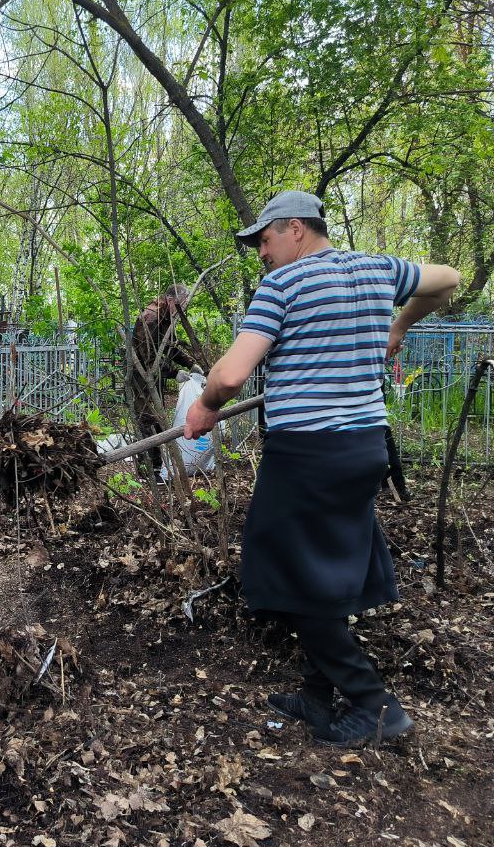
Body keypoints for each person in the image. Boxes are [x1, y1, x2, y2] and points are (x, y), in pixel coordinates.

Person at [184, 191, 460, 746]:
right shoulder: (378, 268)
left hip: (307, 453)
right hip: (364, 450)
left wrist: (206, 406)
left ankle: (374, 704)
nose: (260, 253)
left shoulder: (283, 286)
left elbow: (233, 374)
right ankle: (315, 694)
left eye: (265, 239)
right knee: (320, 568)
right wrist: (400, 326)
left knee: (284, 569)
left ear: (296, 230)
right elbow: (448, 279)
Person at [129, 284, 194, 477]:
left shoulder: (166, 317)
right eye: (181, 304)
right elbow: (149, 358)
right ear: (171, 300)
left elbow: (170, 347)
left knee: (157, 420)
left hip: (154, 375)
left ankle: (156, 467)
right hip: (142, 376)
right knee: (148, 420)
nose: (182, 309)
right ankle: (148, 471)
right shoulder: (151, 318)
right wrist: (174, 374)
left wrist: (191, 364)